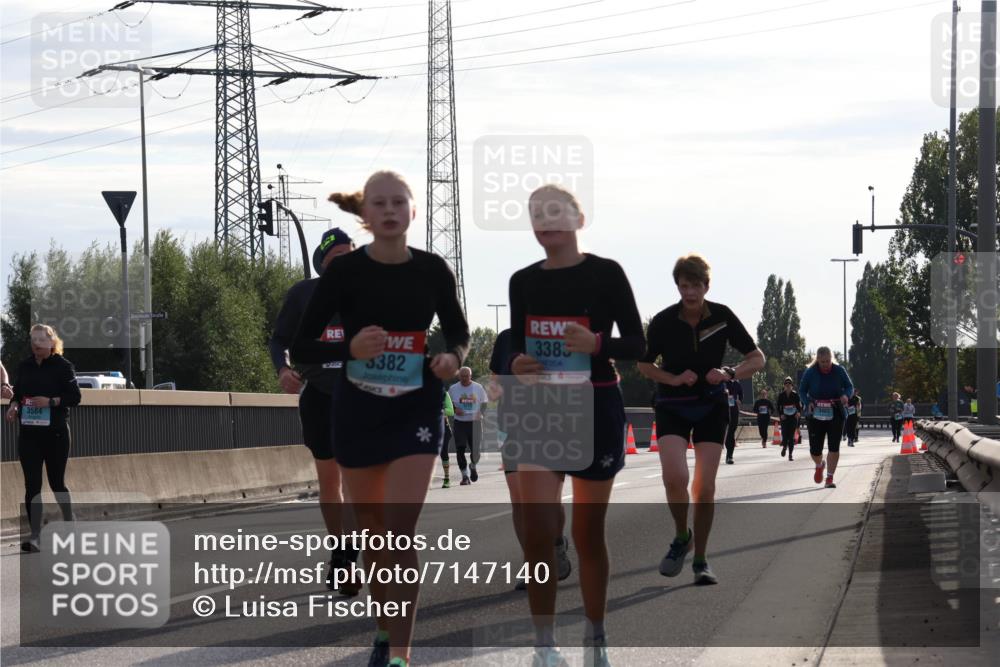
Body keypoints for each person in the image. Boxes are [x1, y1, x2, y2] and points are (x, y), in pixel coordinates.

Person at [290, 170, 469, 667]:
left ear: (413, 211)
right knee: (373, 536)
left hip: (416, 402)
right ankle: (386, 630)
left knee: (398, 531)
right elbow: (302, 344)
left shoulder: (434, 270)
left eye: (399, 202)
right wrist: (350, 346)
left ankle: (401, 655)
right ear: (364, 216)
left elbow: (457, 330)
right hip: (358, 406)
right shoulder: (343, 275)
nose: (389, 210)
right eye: (379, 203)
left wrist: (451, 357)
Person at [507, 184, 644, 667]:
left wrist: (596, 343)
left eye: (555, 211)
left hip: (596, 405)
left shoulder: (606, 273)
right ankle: (543, 646)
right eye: (536, 213)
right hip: (541, 411)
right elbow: (513, 341)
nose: (545, 220)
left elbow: (639, 344)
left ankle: (596, 636)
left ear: (578, 218)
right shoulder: (522, 280)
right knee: (539, 532)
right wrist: (517, 362)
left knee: (588, 533)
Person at [638, 254, 765, 587]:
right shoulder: (664, 321)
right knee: (675, 477)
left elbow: (757, 358)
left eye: (696, 286)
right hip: (672, 405)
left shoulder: (722, 317)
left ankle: (701, 560)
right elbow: (644, 366)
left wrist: (728, 373)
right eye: (684, 286)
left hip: (711, 406)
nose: (690, 292)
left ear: (706, 286)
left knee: (704, 487)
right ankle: (682, 535)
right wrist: (674, 379)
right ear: (677, 286)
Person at [269, 227, 359, 595]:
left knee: (355, 483)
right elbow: (279, 340)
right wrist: (283, 369)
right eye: (338, 258)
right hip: (319, 396)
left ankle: (347, 557)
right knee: (330, 482)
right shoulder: (303, 295)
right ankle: (340, 549)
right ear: (322, 263)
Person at [490, 328, 572, 593]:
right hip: (512, 423)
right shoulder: (505, 338)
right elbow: (496, 377)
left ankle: (557, 542)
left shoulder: (556, 334)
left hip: (552, 422)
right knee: (520, 500)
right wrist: (495, 390)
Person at [5, 325, 81, 553]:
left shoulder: (63, 366)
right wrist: (13, 407)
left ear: (51, 342)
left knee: (57, 483)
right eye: (32, 339)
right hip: (29, 435)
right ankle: (35, 535)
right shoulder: (25, 366)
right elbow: (17, 394)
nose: (35, 343)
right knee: (32, 486)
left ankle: (70, 523)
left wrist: (50, 402)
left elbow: (75, 397)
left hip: (55, 434)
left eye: (40, 339)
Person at [799, 347, 854, 489]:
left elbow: (849, 386)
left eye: (828, 361)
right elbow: (802, 390)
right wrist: (807, 402)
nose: (825, 364)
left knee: (834, 447)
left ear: (832, 358)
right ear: (817, 360)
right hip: (816, 411)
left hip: (835, 411)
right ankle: (819, 464)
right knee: (815, 450)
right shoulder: (810, 372)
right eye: (822, 361)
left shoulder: (839, 370)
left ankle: (829, 477)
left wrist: (845, 395)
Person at [447, 366, 488, 485]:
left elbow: (484, 402)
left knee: (476, 451)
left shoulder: (478, 387)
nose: (464, 378)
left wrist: (480, 412)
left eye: (466, 376)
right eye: (462, 376)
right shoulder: (453, 389)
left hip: (475, 423)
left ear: (470, 376)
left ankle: (473, 466)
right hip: (460, 423)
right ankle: (465, 476)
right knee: (460, 449)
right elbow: (447, 404)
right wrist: (455, 409)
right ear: (459, 376)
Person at [775, 377, 802, 460]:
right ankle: (784, 447)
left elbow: (800, 406)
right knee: (784, 435)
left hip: (793, 417)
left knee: (791, 437)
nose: (788, 385)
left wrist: (798, 412)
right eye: (786, 384)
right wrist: (781, 414)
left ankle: (790, 454)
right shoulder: (781, 395)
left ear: (792, 386)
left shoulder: (795, 395)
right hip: (785, 418)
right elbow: (778, 406)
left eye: (789, 384)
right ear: (784, 386)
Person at [722, 377, 743, 463]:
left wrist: (739, 400)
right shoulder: (723, 383)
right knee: (727, 433)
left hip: (734, 410)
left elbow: (741, 394)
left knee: (731, 431)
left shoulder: (737, 384)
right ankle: (729, 455)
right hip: (724, 410)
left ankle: (730, 455)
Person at [439, 389, 455, 488]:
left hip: (443, 429)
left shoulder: (444, 393)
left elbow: (451, 411)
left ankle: (447, 478)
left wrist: (438, 410)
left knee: (443, 453)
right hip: (427, 430)